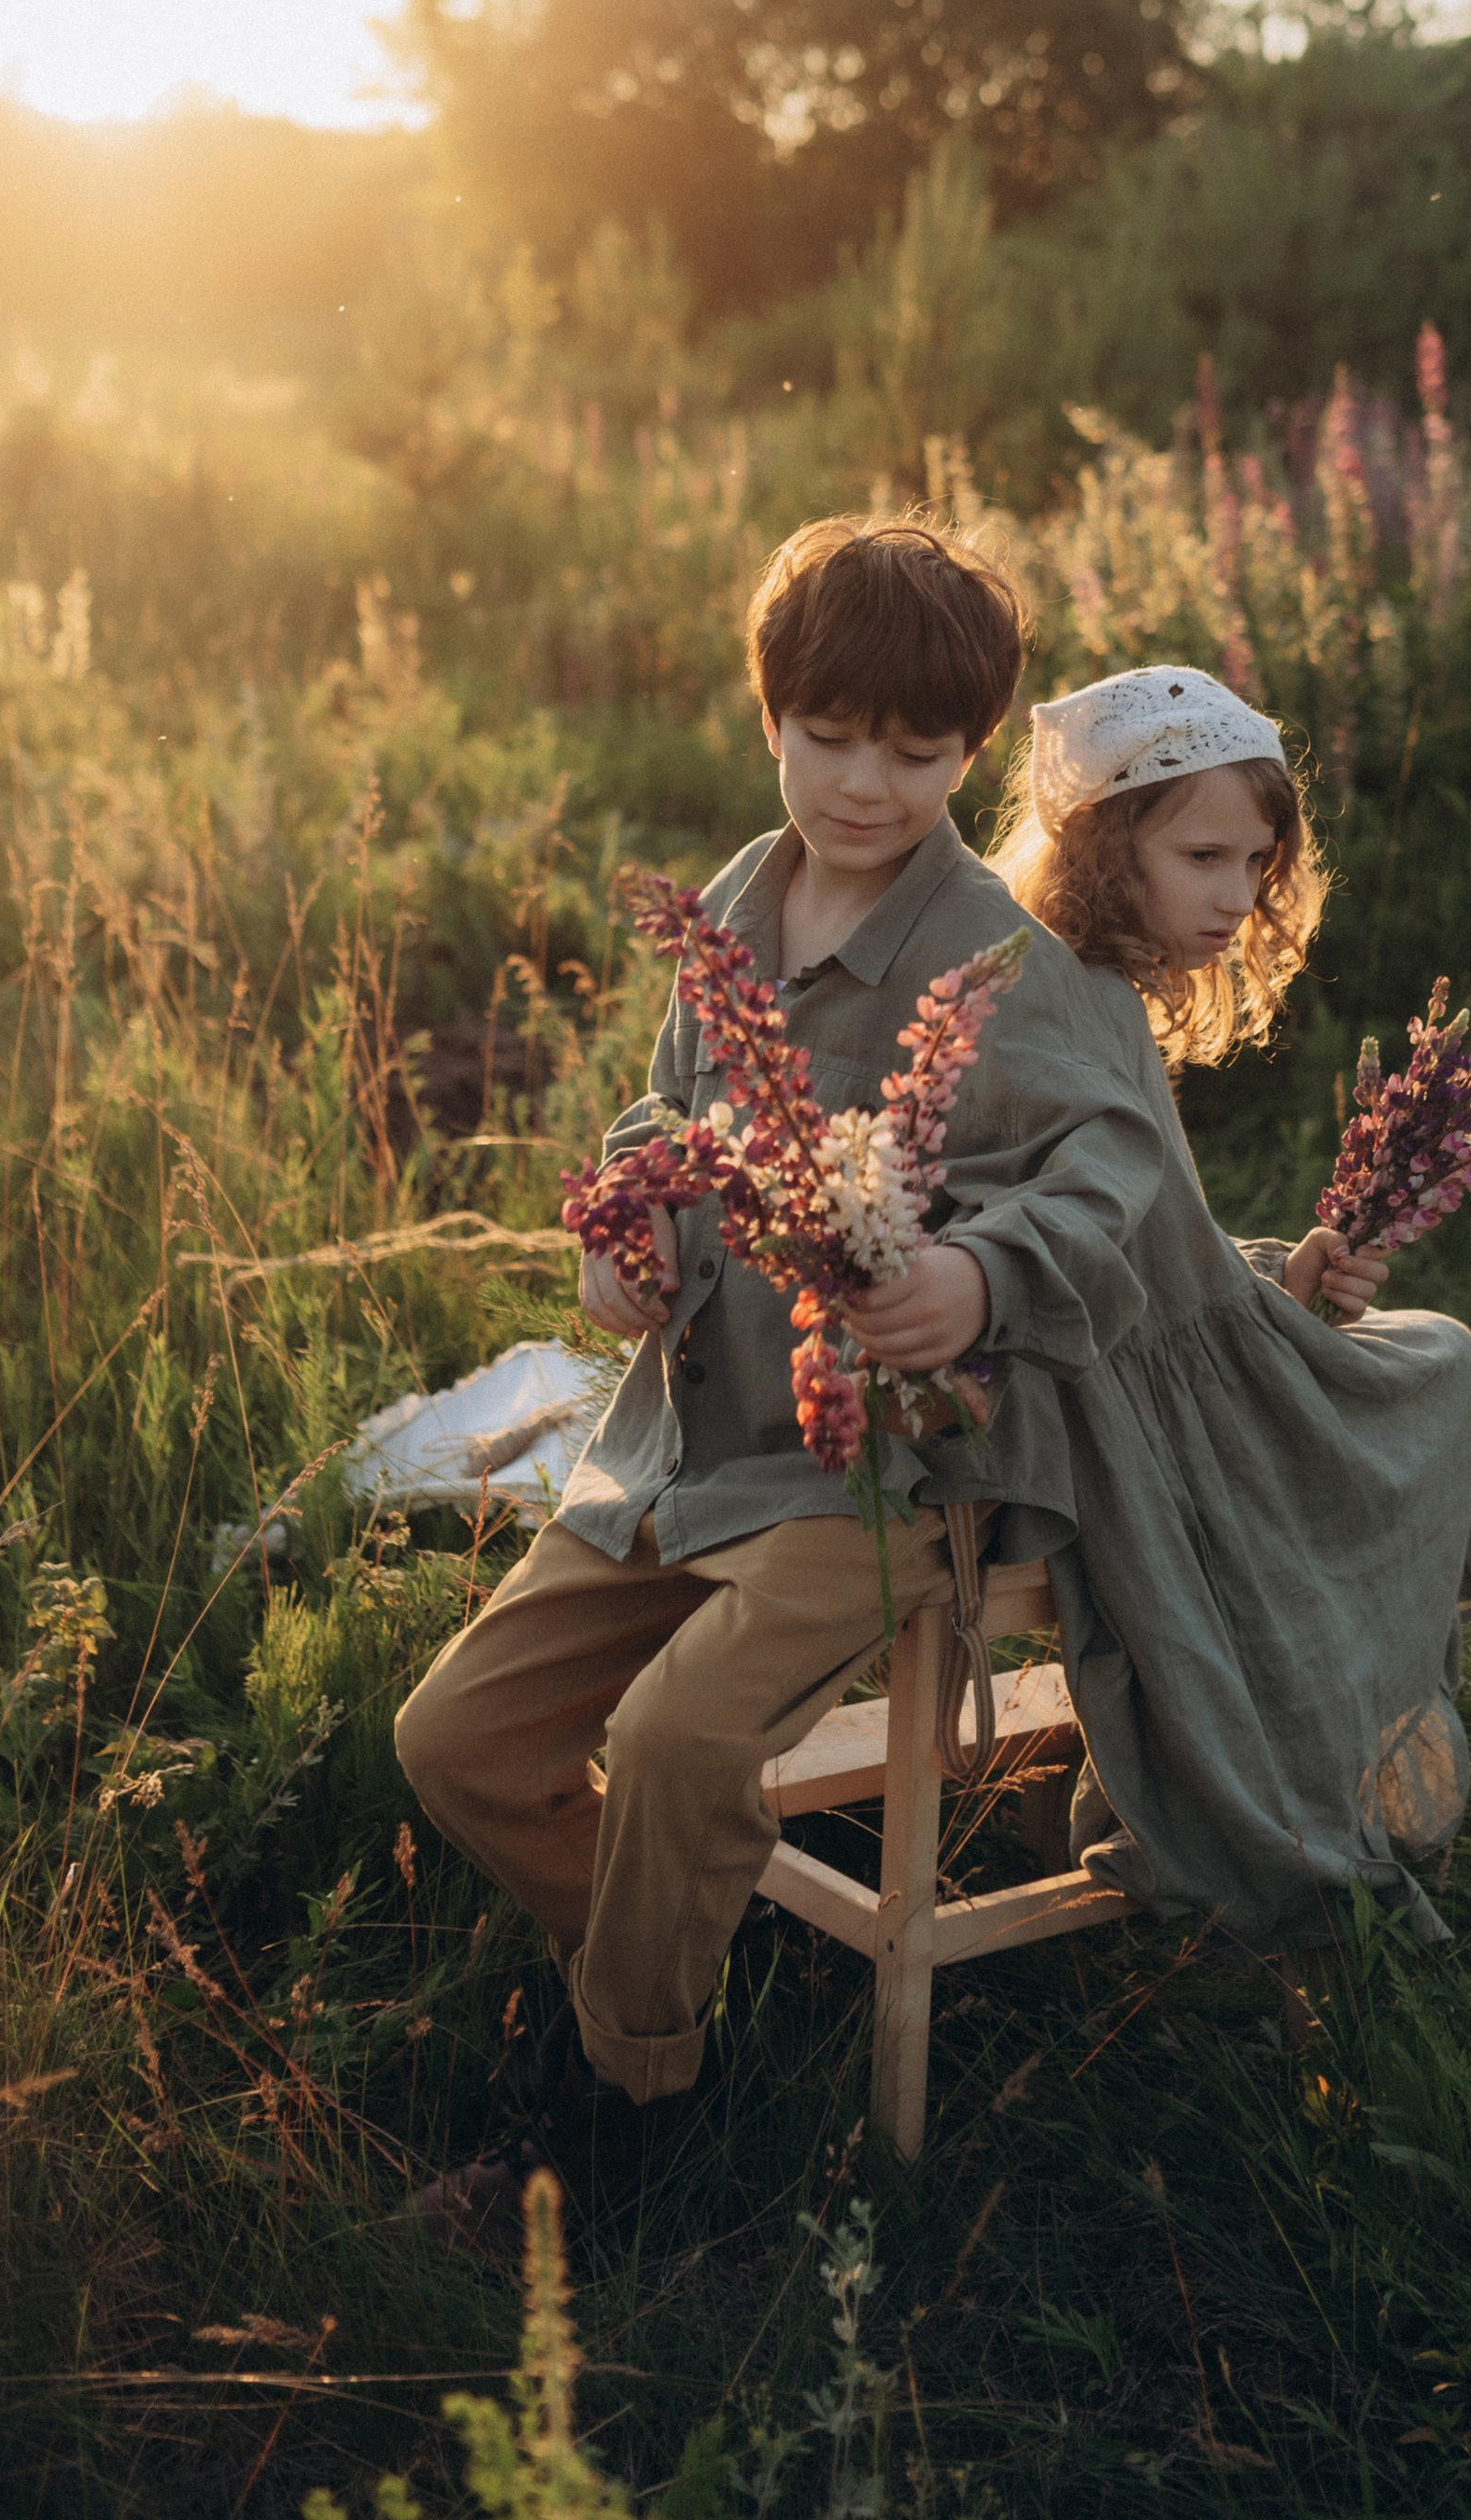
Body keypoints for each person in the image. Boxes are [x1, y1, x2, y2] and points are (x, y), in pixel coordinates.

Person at [394, 515, 1175, 2241]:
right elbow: (664, 1122)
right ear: (769, 716)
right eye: (830, 734)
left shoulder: (1002, 957)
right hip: (691, 1429)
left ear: (974, 751)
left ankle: (618, 2116)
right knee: (456, 1737)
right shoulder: (739, 906)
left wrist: (979, 1271)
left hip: (887, 1467)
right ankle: (677, 1970)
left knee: (678, 1740)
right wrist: (626, 1227)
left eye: (918, 749)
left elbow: (1118, 1184)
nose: (867, 783)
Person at [984, 662, 1471, 1951]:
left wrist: (1276, 1277)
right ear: (1111, 851)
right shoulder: (1061, 1003)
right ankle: (1320, 1757)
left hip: (1156, 1339)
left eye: (1256, 862)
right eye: (1204, 857)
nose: (1238, 897)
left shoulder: (1084, 990)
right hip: (1106, 1392)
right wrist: (1253, 1303)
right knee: (1436, 1369)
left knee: (1430, 1354)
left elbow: (1152, 1242)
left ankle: (1328, 1730)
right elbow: (1105, 1270)